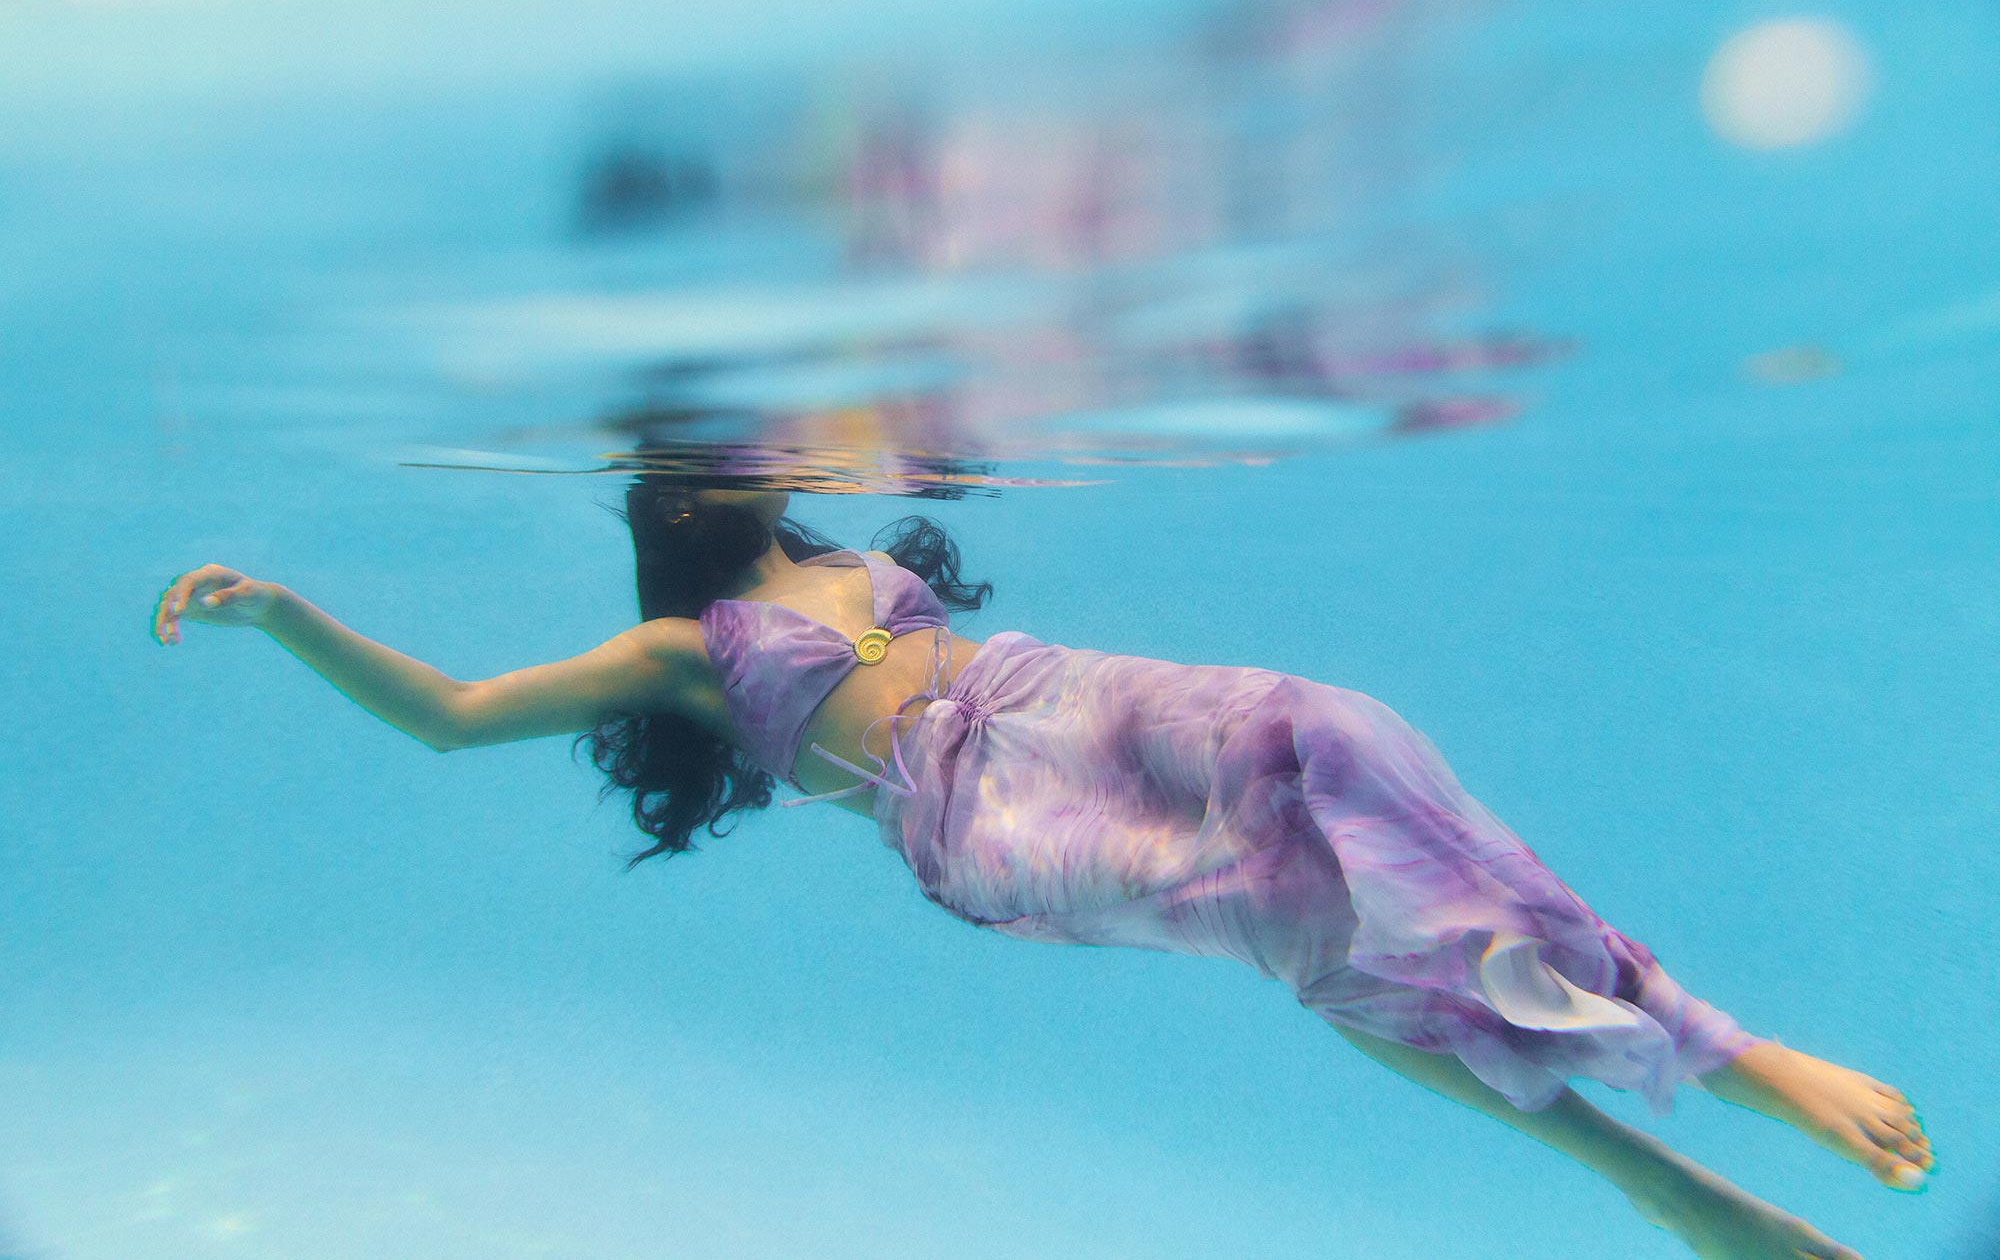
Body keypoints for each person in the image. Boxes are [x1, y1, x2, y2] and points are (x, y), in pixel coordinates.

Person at [152, 480, 1931, 1260]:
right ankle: (1676, 1186)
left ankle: (1711, 1040)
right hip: (970, 816)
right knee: (1312, 928)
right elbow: (455, 716)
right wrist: (285, 613)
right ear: (671, 500)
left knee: (1334, 727)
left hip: (1048, 690)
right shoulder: (680, 648)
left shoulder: (841, 536)